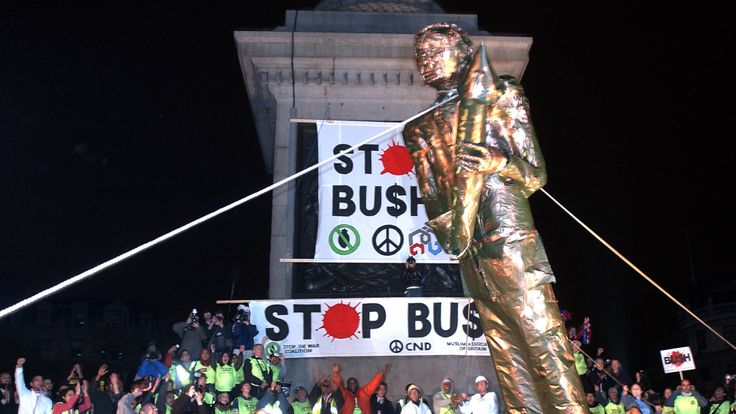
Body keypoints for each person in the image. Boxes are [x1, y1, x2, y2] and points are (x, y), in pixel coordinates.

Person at [403, 22, 587, 413]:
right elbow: (434, 198)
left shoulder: (500, 95)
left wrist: (498, 161)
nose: (426, 62)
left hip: (511, 243)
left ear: (464, 51)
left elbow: (536, 175)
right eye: (421, 55)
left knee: (544, 344)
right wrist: (453, 233)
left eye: (436, 51)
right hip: (469, 253)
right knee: (507, 357)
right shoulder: (418, 129)